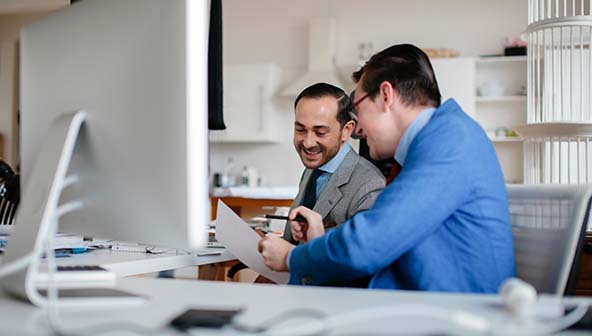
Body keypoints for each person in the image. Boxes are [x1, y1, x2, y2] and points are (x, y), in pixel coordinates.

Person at [258, 44, 515, 292]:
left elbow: (369, 242)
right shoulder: (437, 139)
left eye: (357, 108)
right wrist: (318, 240)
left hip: (459, 311)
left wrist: (293, 257)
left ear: (385, 96)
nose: (357, 128)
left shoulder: (450, 141)